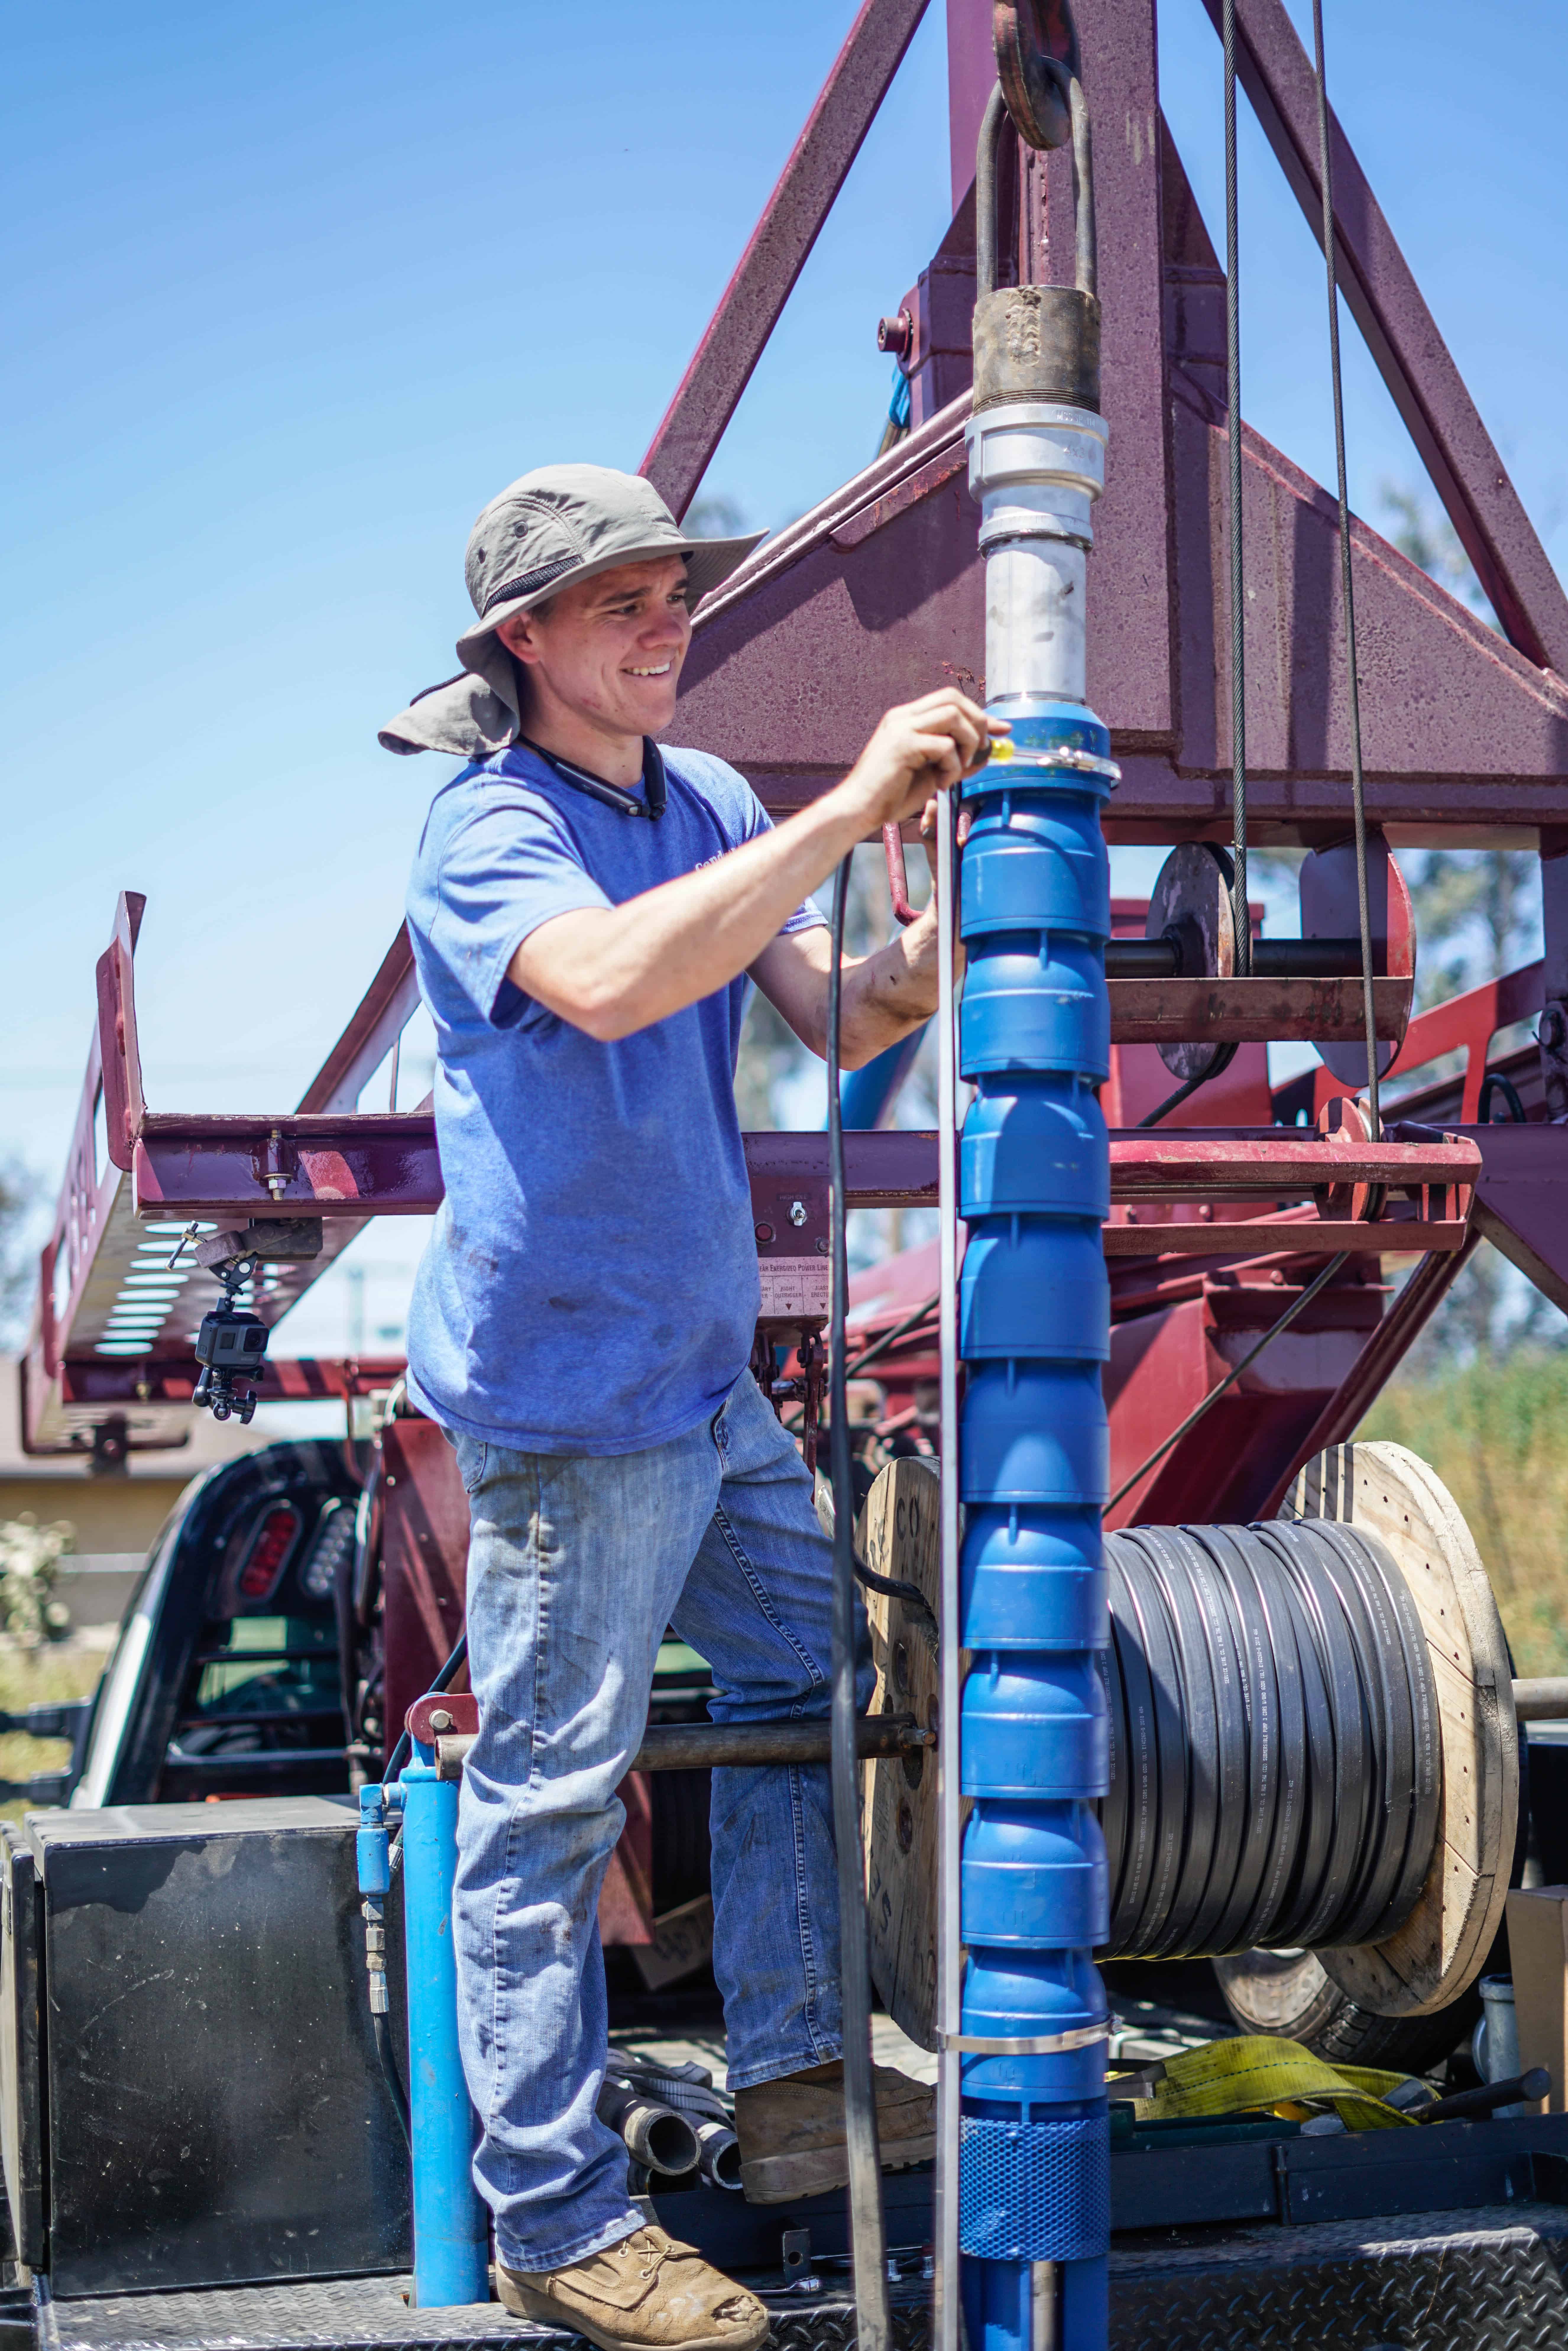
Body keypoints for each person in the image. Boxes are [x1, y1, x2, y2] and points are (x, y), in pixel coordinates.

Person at [382, 464, 997, 2351]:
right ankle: (560, 2219)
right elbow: (616, 978)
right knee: (549, 1802)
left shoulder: (710, 801)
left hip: (704, 1386)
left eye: (673, 594)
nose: (668, 626)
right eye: (624, 603)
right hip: (573, 1402)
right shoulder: (487, 831)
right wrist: (839, 807)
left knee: (813, 1663)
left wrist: (942, 914)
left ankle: (802, 2078)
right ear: (527, 642)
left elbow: (836, 1012)